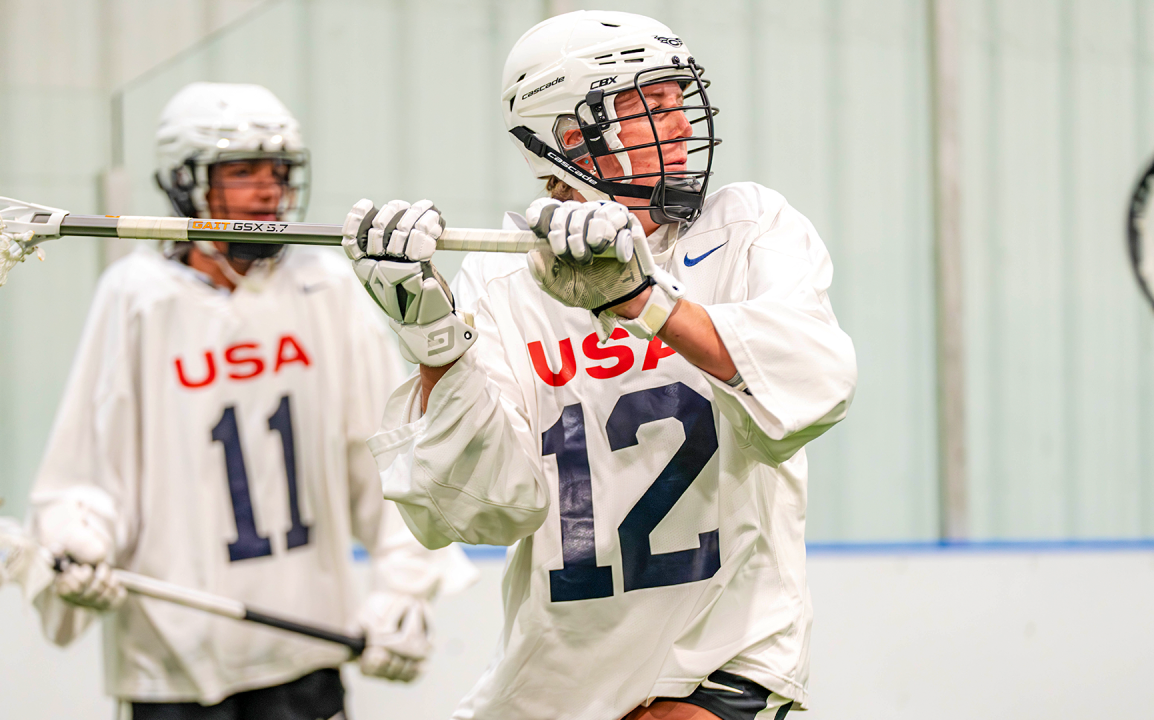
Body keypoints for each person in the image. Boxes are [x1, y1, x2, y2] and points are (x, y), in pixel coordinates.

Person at [341, 11, 857, 720]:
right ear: (572, 139)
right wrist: (432, 343)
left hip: (724, 653)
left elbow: (812, 391)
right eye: (653, 104)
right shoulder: (499, 285)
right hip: (559, 676)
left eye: (681, 98)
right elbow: (480, 509)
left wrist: (643, 300)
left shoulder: (748, 228)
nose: (680, 123)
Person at [29, 82, 473, 720]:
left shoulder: (324, 290)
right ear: (187, 184)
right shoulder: (138, 296)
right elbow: (91, 466)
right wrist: (79, 544)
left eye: (279, 172)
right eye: (243, 172)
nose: (267, 191)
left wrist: (405, 590)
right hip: (171, 657)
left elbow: (392, 455)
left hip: (305, 646)